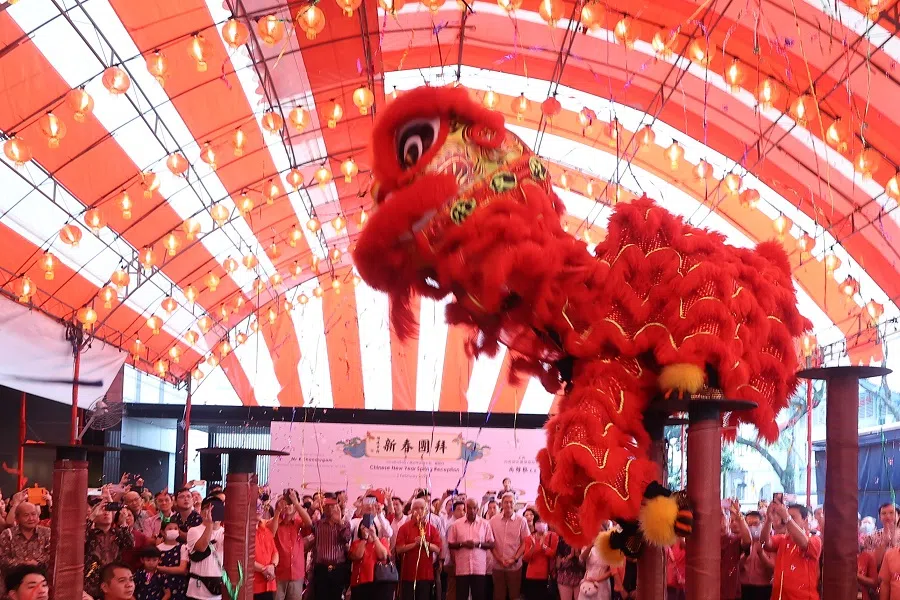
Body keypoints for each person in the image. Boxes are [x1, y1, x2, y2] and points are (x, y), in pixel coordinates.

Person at [761, 502, 822, 600]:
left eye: (792, 517)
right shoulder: (782, 539)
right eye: (785, 517)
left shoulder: (815, 540)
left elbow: (804, 543)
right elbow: (764, 543)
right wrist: (768, 520)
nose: (786, 521)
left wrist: (786, 517)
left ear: (805, 520)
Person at [84, 499, 135, 599]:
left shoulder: (118, 533)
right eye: (102, 510)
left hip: (115, 581)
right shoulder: (89, 534)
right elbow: (78, 540)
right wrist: (91, 517)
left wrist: (123, 522)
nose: (106, 512)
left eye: (109, 510)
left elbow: (130, 544)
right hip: (92, 582)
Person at [448, 498, 496, 600]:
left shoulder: (485, 524)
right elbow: (450, 544)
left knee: (478, 596)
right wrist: (463, 544)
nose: (472, 510)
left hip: (479, 568)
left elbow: (491, 544)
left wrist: (477, 544)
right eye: (469, 508)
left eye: (474, 508)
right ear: (465, 508)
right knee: (461, 596)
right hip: (462, 568)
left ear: (478, 508)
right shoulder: (456, 524)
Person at [395, 498, 442, 600]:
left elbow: (438, 549)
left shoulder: (431, 529)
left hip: (426, 575)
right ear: (411, 511)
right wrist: (414, 545)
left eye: (422, 508)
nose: (419, 511)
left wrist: (425, 543)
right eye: (416, 508)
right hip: (408, 575)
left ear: (426, 510)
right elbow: (398, 549)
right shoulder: (404, 528)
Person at [269, 491, 312, 600]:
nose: (288, 506)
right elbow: (271, 534)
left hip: (297, 574)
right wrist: (278, 511)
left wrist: (296, 504)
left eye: (290, 503)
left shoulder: (298, 522)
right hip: (278, 574)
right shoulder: (275, 521)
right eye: (285, 503)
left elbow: (309, 523)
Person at [489, 492, 529, 600]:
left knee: (514, 596)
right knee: (498, 595)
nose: (508, 505)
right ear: (501, 504)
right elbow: (490, 542)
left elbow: (525, 542)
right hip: (497, 566)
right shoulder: (493, 521)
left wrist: (514, 558)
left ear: (515, 504)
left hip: (515, 566)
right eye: (506, 502)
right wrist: (499, 558)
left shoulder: (522, 521)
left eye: (511, 502)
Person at [310, 498, 351, 600]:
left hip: (338, 568)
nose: (331, 509)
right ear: (323, 508)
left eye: (333, 506)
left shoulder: (344, 524)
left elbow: (346, 538)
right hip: (321, 568)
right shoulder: (318, 524)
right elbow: (305, 522)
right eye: (328, 506)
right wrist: (311, 509)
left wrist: (340, 522)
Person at [0, 500, 51, 577]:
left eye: (34, 514)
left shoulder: (47, 532)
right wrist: (24, 564)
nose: (31, 518)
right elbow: (3, 559)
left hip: (42, 578)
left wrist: (37, 563)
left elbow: (52, 555)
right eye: (26, 515)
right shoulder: (7, 534)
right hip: (15, 580)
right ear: (17, 518)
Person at [186, 498, 224, 600]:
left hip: (217, 589)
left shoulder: (225, 532)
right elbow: (202, 548)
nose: (213, 513)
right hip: (197, 590)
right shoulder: (194, 531)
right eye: (209, 509)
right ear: (202, 512)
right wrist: (209, 524)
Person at [349, 519, 392, 600]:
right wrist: (364, 539)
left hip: (379, 582)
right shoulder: (356, 543)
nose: (367, 529)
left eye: (370, 526)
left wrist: (375, 537)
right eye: (364, 527)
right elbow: (357, 556)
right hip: (359, 583)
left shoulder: (382, 541)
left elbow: (383, 556)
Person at [739, 511, 773, 600]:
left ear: (762, 524)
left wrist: (761, 554)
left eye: (755, 524)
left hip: (763, 588)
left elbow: (772, 569)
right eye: (749, 525)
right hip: (743, 587)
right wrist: (745, 555)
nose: (752, 527)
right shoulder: (741, 542)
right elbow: (736, 567)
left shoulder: (770, 542)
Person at [722, 501, 752, 600]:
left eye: (722, 517)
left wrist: (739, 515)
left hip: (731, 592)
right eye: (732, 520)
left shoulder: (734, 540)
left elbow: (747, 541)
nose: (720, 521)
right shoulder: (708, 540)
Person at [522, 521, 558, 600]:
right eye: (539, 521)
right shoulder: (529, 538)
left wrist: (543, 546)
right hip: (531, 575)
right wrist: (533, 547)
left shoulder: (553, 536)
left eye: (543, 521)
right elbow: (525, 558)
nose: (541, 524)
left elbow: (553, 554)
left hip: (545, 575)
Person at [157, 521, 188, 600]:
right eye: (170, 529)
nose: (173, 531)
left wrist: (160, 568)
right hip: (161, 586)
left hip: (178, 585)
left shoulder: (182, 547)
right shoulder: (157, 549)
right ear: (162, 532)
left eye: (176, 528)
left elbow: (182, 569)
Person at [864, 503, 899, 568]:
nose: (887, 516)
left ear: (899, 516)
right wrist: (884, 543)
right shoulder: (870, 537)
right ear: (879, 517)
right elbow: (871, 564)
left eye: (891, 513)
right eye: (883, 513)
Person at [254, 517, 279, 600]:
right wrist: (264, 569)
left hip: (269, 584)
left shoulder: (267, 531)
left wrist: (273, 565)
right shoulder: (245, 533)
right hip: (254, 585)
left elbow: (275, 552)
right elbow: (245, 560)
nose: (259, 509)